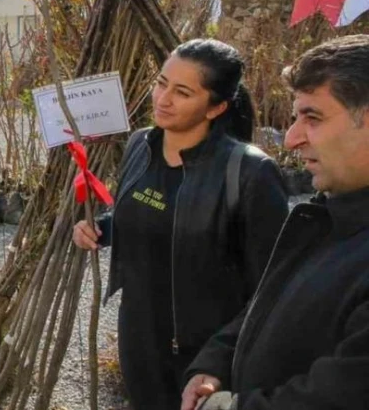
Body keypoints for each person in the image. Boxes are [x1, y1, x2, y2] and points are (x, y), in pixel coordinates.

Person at [73, 39, 289, 410]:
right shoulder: (140, 146)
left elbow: (274, 286)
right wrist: (101, 230)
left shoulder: (250, 173)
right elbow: (153, 217)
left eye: (182, 92)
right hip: (138, 337)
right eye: (161, 83)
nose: (163, 98)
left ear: (217, 107)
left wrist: (219, 360)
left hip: (205, 355)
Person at [182, 34, 369, 410]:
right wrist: (217, 360)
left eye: (312, 117)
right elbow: (269, 303)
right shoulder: (324, 215)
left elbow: (341, 397)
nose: (291, 139)